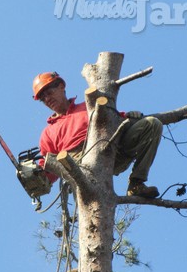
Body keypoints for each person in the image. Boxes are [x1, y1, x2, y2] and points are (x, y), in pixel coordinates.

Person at [33, 71, 163, 198]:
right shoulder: (48, 133)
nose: (47, 99)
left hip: (111, 151)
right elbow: (47, 168)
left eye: (49, 93)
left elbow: (113, 119)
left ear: (61, 86)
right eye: (43, 99)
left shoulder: (88, 106)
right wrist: (34, 176)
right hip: (80, 169)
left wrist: (127, 117)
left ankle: (136, 183)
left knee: (152, 124)